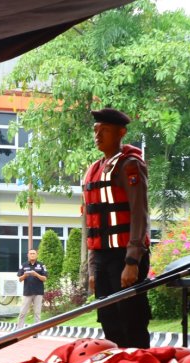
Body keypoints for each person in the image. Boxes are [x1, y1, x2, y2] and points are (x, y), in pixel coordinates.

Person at [82, 107, 151, 348]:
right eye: (96, 130)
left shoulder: (129, 165)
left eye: (105, 130)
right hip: (101, 257)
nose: (98, 135)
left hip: (125, 256)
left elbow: (139, 214)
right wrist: (92, 268)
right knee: (108, 319)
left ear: (121, 133)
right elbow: (90, 224)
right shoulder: (93, 170)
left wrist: (132, 262)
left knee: (131, 319)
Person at [16, 248, 47, 330]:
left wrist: (36, 274)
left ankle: (36, 332)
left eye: (34, 253)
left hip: (38, 292)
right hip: (27, 292)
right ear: (28, 255)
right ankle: (18, 330)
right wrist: (25, 276)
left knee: (37, 313)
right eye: (30, 253)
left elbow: (45, 278)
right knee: (22, 312)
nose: (32, 255)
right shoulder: (23, 265)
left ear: (37, 255)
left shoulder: (41, 265)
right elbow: (20, 279)